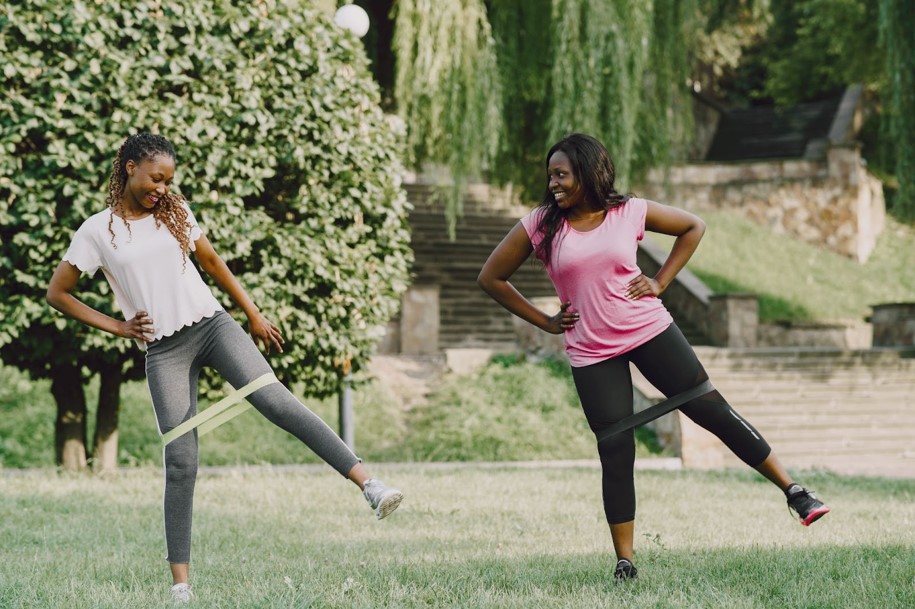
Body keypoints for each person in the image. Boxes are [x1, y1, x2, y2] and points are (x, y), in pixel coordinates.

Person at [46, 133, 403, 603]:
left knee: (278, 403)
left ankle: (370, 486)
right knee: (181, 461)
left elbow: (211, 261)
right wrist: (118, 326)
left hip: (213, 326)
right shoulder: (98, 231)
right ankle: (181, 586)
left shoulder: (175, 212)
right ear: (130, 167)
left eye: (169, 180)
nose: (162, 188)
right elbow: (58, 293)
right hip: (163, 349)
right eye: (156, 178)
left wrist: (252, 313)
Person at [477, 133, 829, 582]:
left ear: (587, 173)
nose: (554, 184)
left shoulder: (629, 211)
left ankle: (795, 491)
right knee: (616, 449)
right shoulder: (541, 225)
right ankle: (625, 561)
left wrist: (661, 280)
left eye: (561, 174)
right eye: (550, 176)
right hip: (591, 350)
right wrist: (545, 321)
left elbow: (693, 226)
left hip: (649, 329)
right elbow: (491, 277)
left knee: (710, 408)